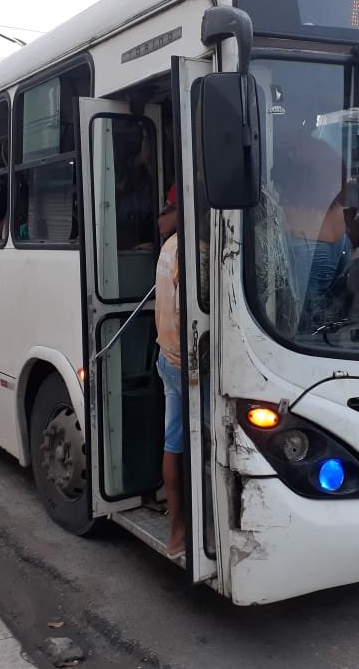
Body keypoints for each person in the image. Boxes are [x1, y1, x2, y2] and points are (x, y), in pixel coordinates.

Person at [272, 136, 351, 333]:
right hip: (327, 323)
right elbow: (343, 275)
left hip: (297, 328)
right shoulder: (336, 212)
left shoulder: (289, 215)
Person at [154, 220, 185, 558]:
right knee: (211, 444)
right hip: (186, 368)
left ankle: (177, 533)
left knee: (173, 443)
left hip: (166, 356)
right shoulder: (191, 250)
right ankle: (201, 526)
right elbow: (185, 315)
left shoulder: (170, 244)